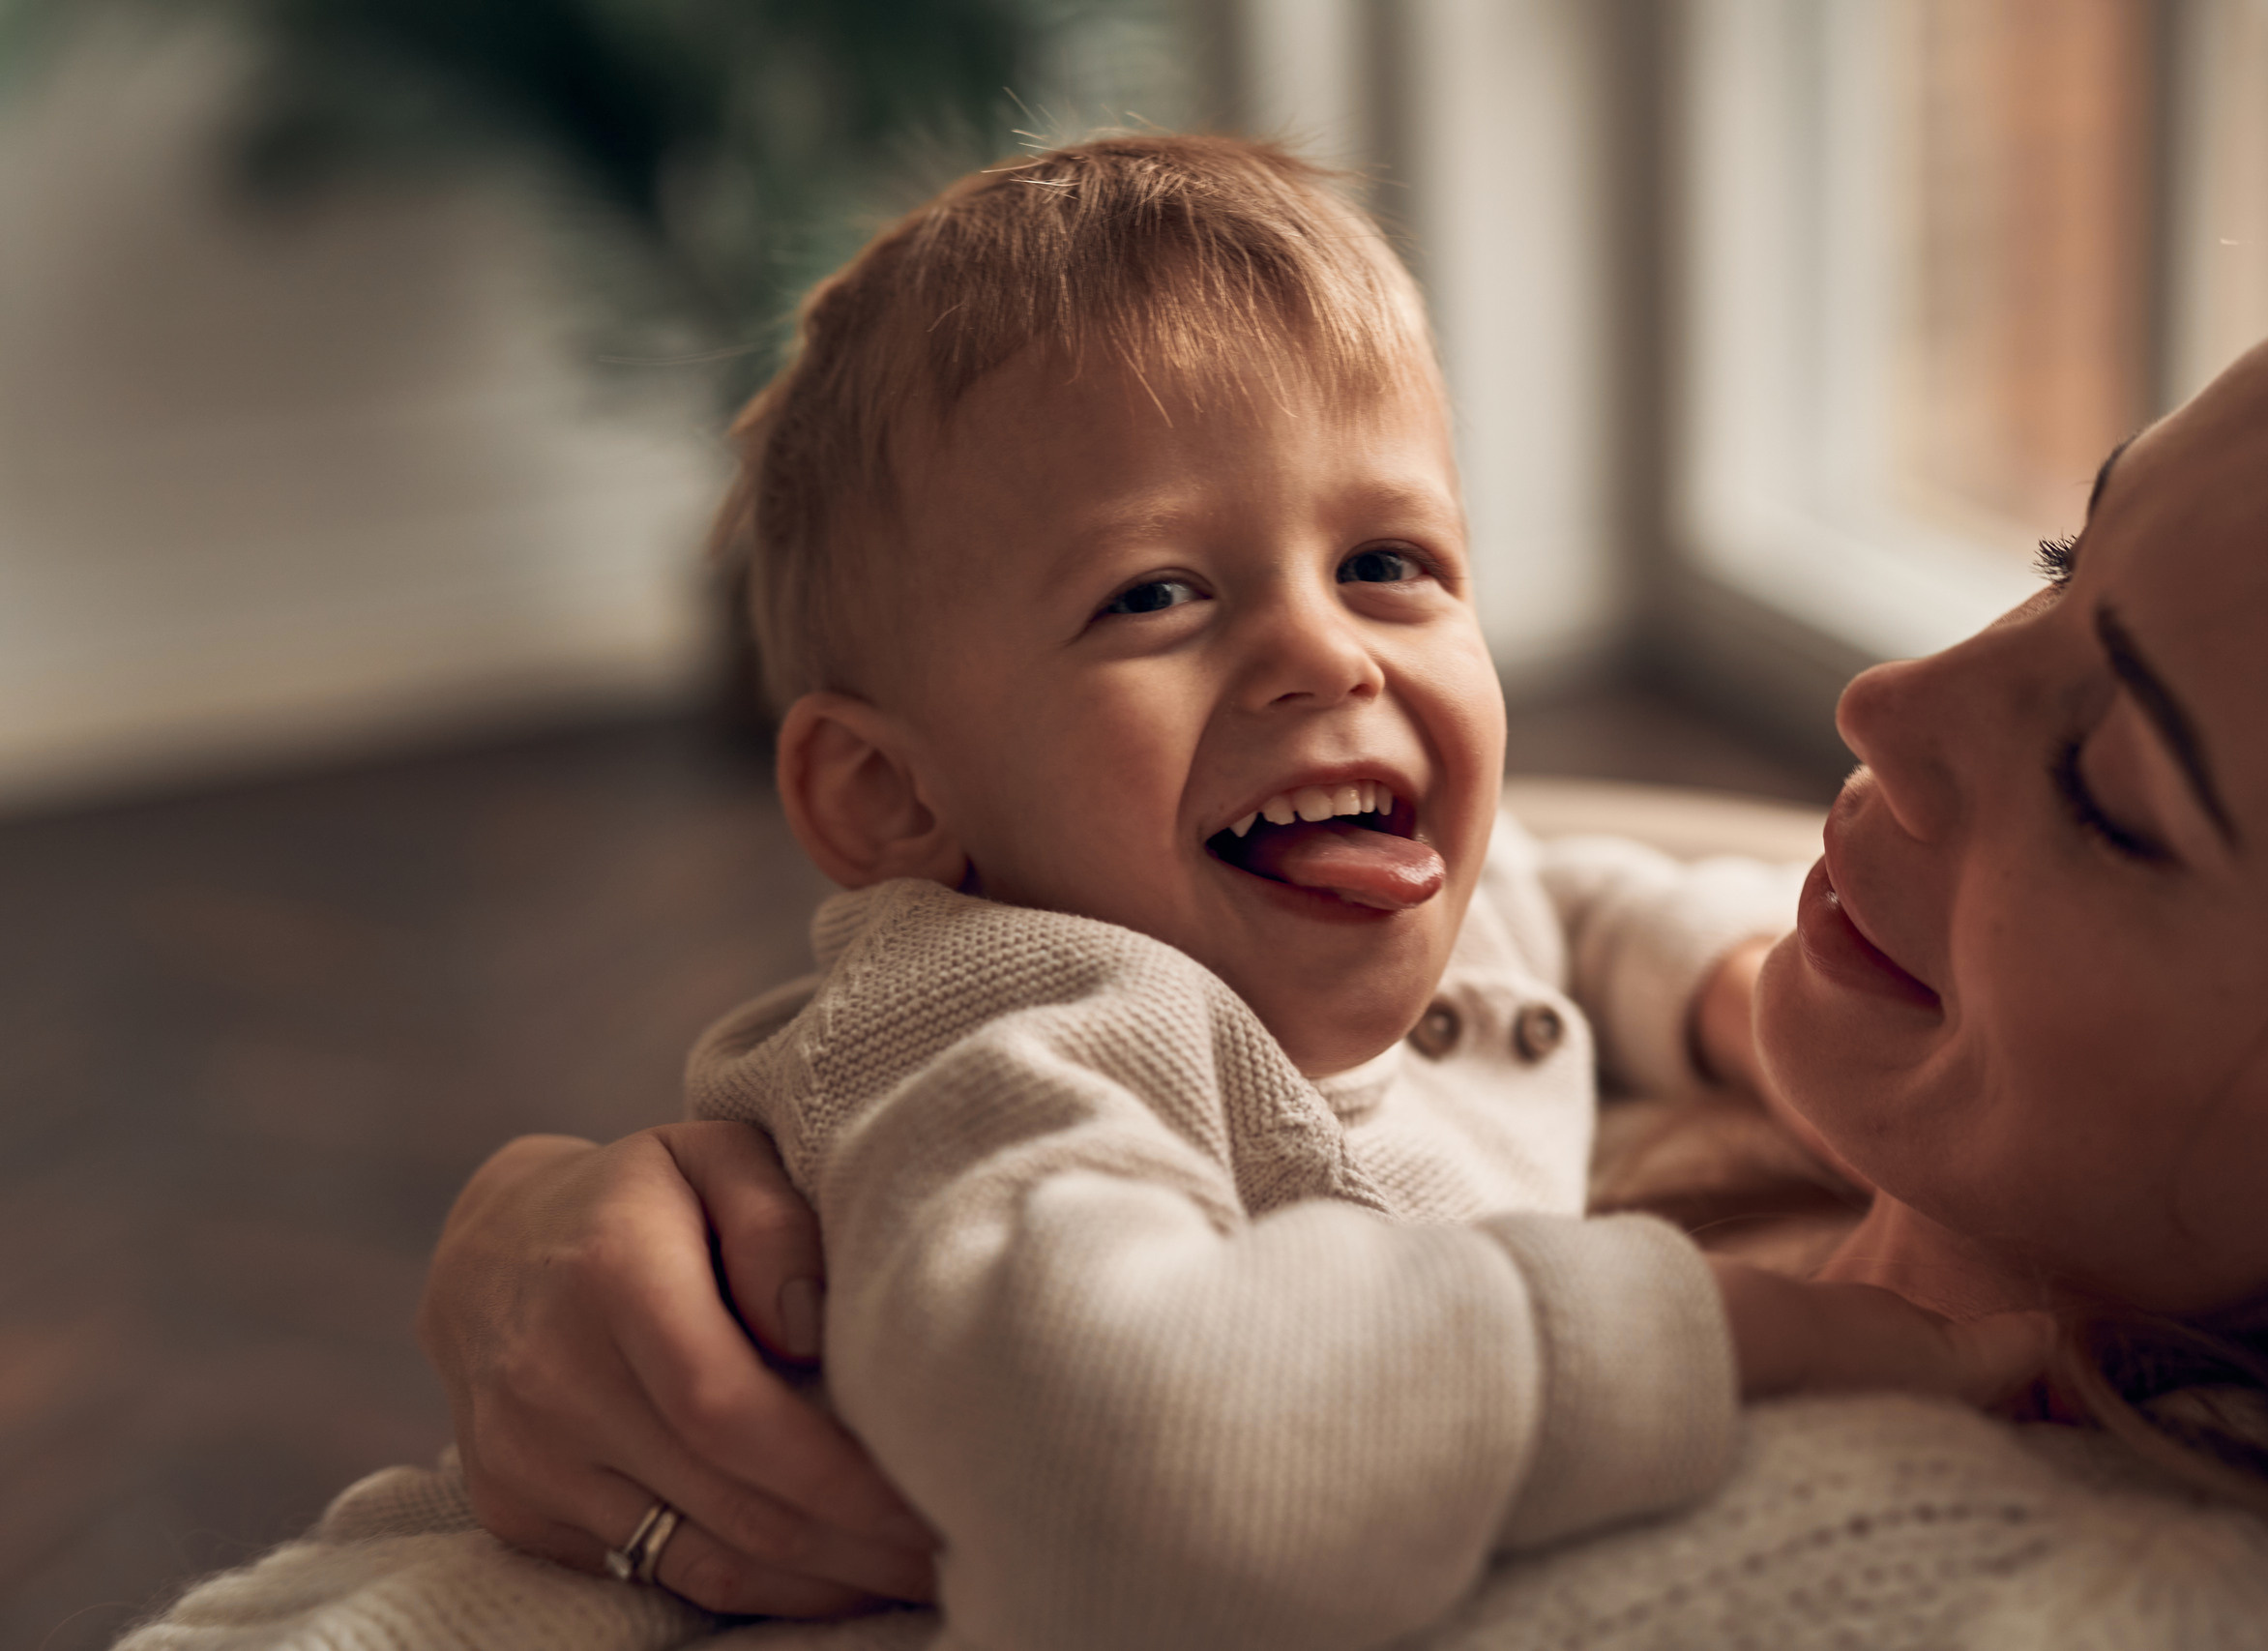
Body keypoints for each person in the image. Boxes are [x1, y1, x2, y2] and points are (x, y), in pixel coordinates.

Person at [416, 148, 2268, 1649]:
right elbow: (1548, 892)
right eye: (2050, 559)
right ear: (882, 789)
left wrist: (1755, 1329)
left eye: (2110, 783)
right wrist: (1723, 979)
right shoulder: (1067, 1007)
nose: (1882, 699)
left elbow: (1163, 1492)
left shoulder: (1974, 1562)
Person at [115, 134, 2036, 1651]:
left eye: (1388, 560)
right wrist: (1735, 1328)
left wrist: (1719, 986)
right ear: (888, 795)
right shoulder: (1024, 1015)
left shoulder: (1345, 893)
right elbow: (1150, 1499)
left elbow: (1557, 885)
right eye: (1155, 595)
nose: (1324, 655)